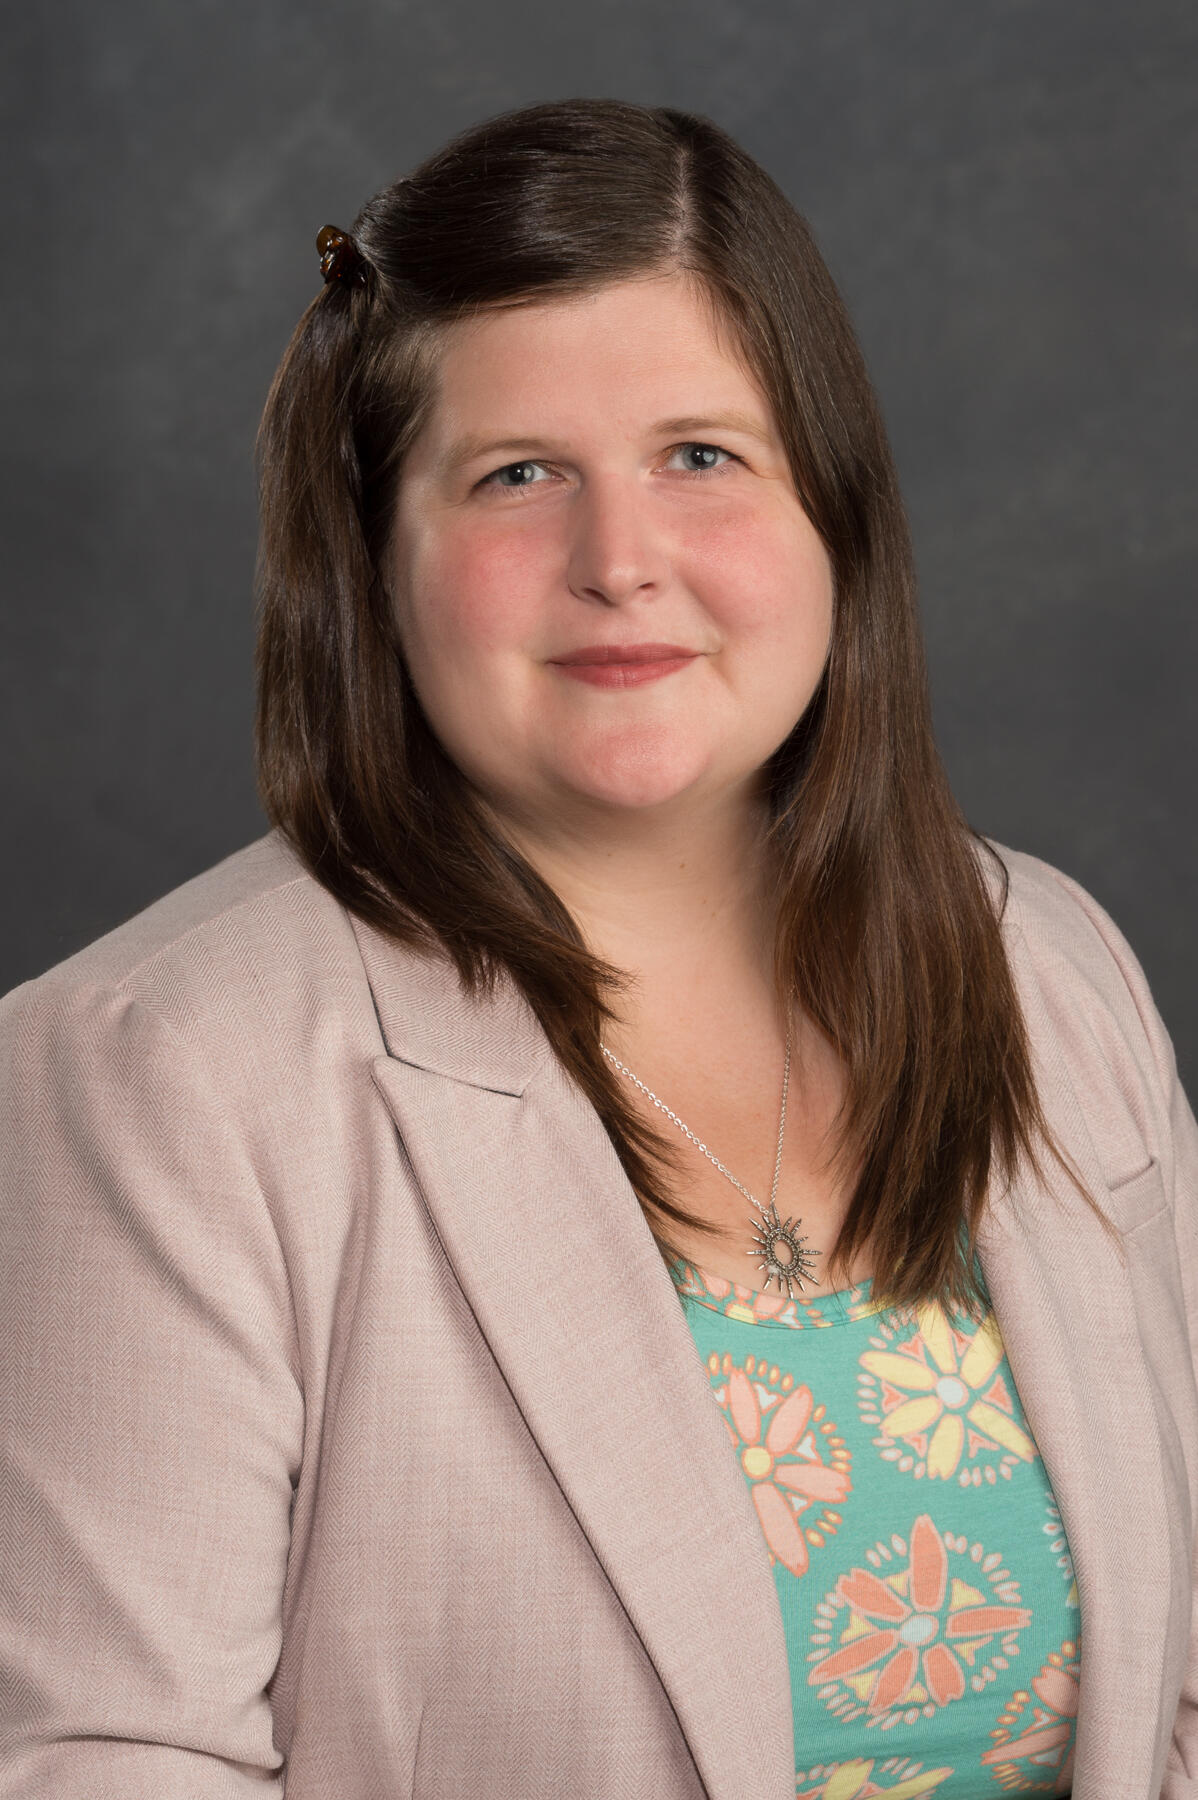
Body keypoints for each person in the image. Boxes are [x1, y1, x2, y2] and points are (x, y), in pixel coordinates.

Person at [0, 97, 1194, 1800]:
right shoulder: (155, 1068)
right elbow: (106, 1760)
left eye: (700, 456)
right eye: (515, 476)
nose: (619, 562)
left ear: (830, 519)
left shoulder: (1043, 966)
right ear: (373, 562)